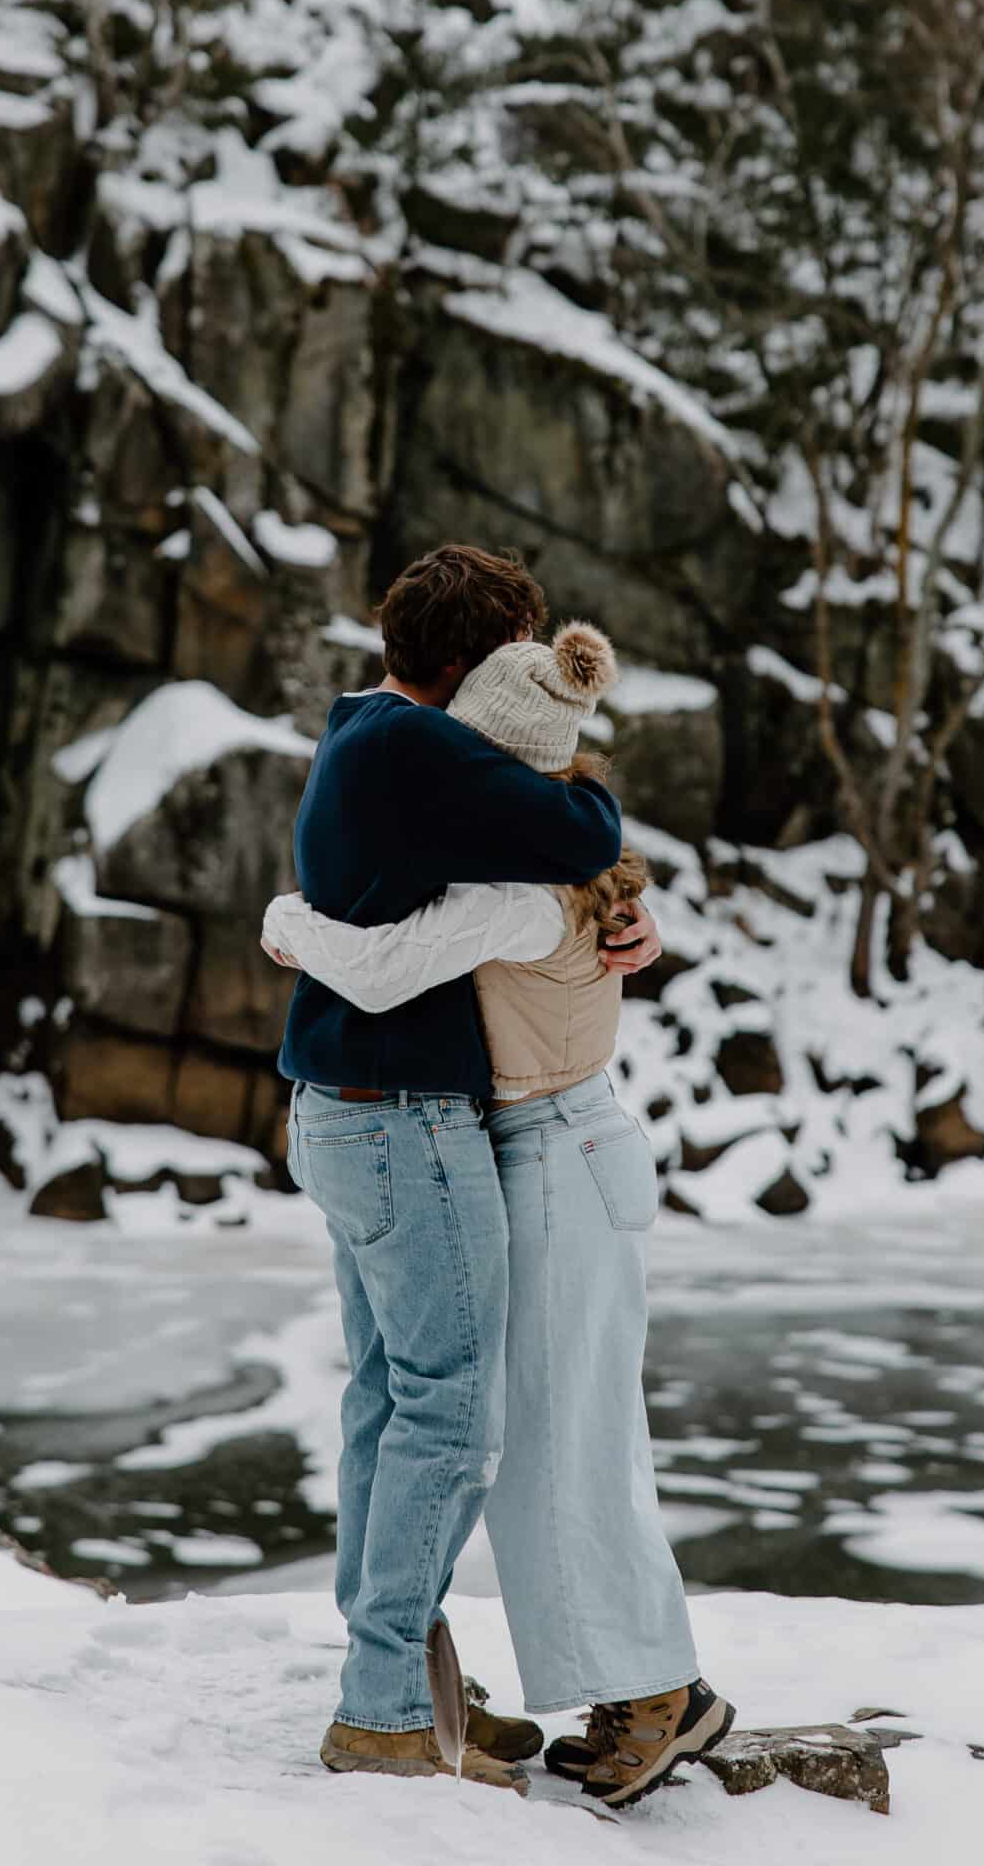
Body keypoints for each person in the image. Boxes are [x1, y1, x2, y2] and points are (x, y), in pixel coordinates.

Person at [266, 618, 734, 1810]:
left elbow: (374, 969)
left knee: (569, 1438)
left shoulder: (523, 890)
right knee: (544, 1436)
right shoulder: (541, 861)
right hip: (548, 1148)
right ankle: (616, 1686)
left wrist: (286, 920)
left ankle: (655, 1694)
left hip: (558, 1153)